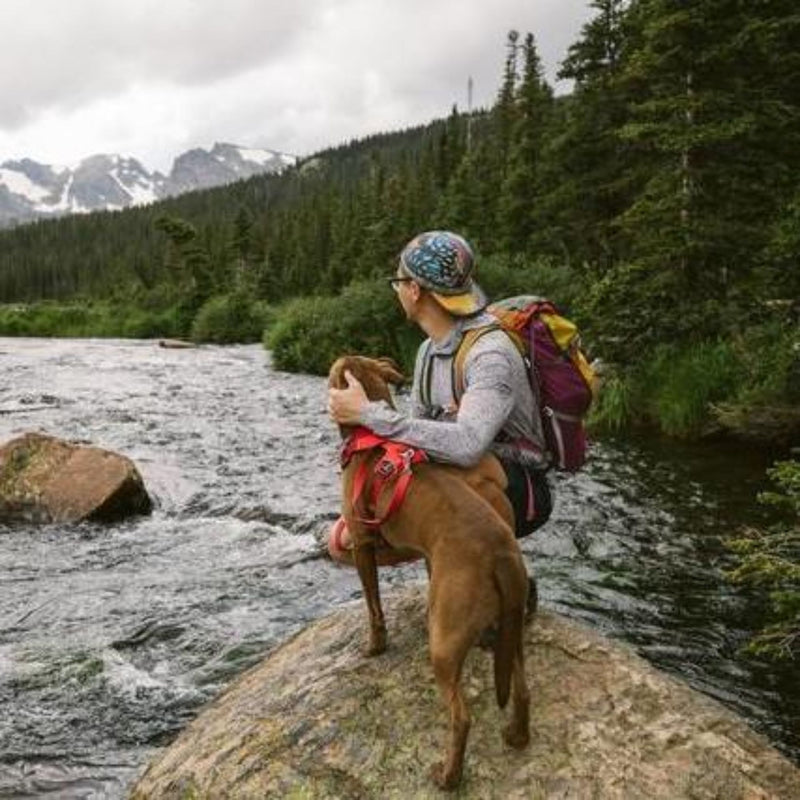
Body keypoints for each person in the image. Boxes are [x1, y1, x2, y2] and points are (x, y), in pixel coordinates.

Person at [327, 230, 552, 565]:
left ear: (414, 290)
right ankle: (452, 564)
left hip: (521, 489)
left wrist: (368, 414)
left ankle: (506, 571)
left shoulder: (491, 353)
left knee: (464, 474)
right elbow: (417, 437)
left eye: (398, 282)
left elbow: (468, 444)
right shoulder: (427, 352)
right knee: (345, 542)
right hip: (459, 474)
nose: (397, 290)